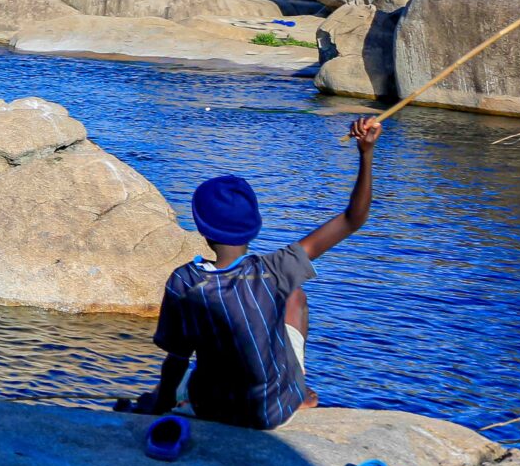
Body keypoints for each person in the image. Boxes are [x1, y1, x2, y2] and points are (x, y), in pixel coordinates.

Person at [130, 115, 383, 429]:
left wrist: (160, 406)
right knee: (295, 296)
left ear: (202, 229)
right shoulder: (275, 271)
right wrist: (366, 153)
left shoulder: (185, 281)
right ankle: (297, 389)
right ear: (253, 228)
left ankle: (176, 402)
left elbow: (177, 360)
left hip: (213, 408)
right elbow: (353, 219)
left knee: (175, 381)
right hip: (272, 411)